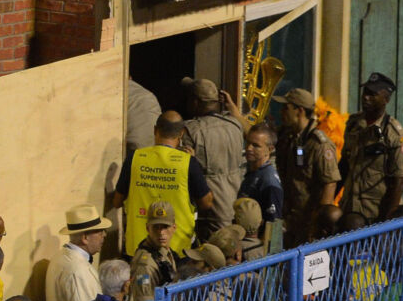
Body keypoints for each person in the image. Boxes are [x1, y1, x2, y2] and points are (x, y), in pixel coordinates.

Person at [114, 112, 209, 256]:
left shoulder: (135, 158)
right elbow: (207, 203)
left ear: (155, 130)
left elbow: (116, 201)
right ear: (181, 133)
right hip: (177, 250)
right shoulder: (188, 162)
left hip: (138, 249)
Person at [339, 73, 403, 226]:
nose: (366, 98)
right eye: (365, 92)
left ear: (386, 99)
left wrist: (386, 222)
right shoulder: (353, 124)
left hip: (376, 213)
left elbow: (398, 182)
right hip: (350, 209)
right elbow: (344, 165)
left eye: (373, 94)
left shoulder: (394, 134)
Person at [177, 78, 244, 235]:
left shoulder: (191, 130)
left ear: (195, 102)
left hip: (211, 210)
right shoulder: (235, 125)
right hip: (236, 205)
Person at [277, 88, 341, 246]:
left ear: (299, 111)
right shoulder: (290, 137)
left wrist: (319, 224)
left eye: (286, 108)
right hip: (291, 219)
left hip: (309, 222)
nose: (282, 112)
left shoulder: (319, 144)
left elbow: (330, 183)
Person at [46, 206, 111, 301]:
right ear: (85, 238)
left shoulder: (61, 256)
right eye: (99, 231)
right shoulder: (77, 270)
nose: (104, 235)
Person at [237, 124, 286, 253]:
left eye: (256, 145)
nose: (248, 148)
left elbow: (274, 226)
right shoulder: (252, 172)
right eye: (247, 143)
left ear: (269, 149)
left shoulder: (269, 181)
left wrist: (268, 261)